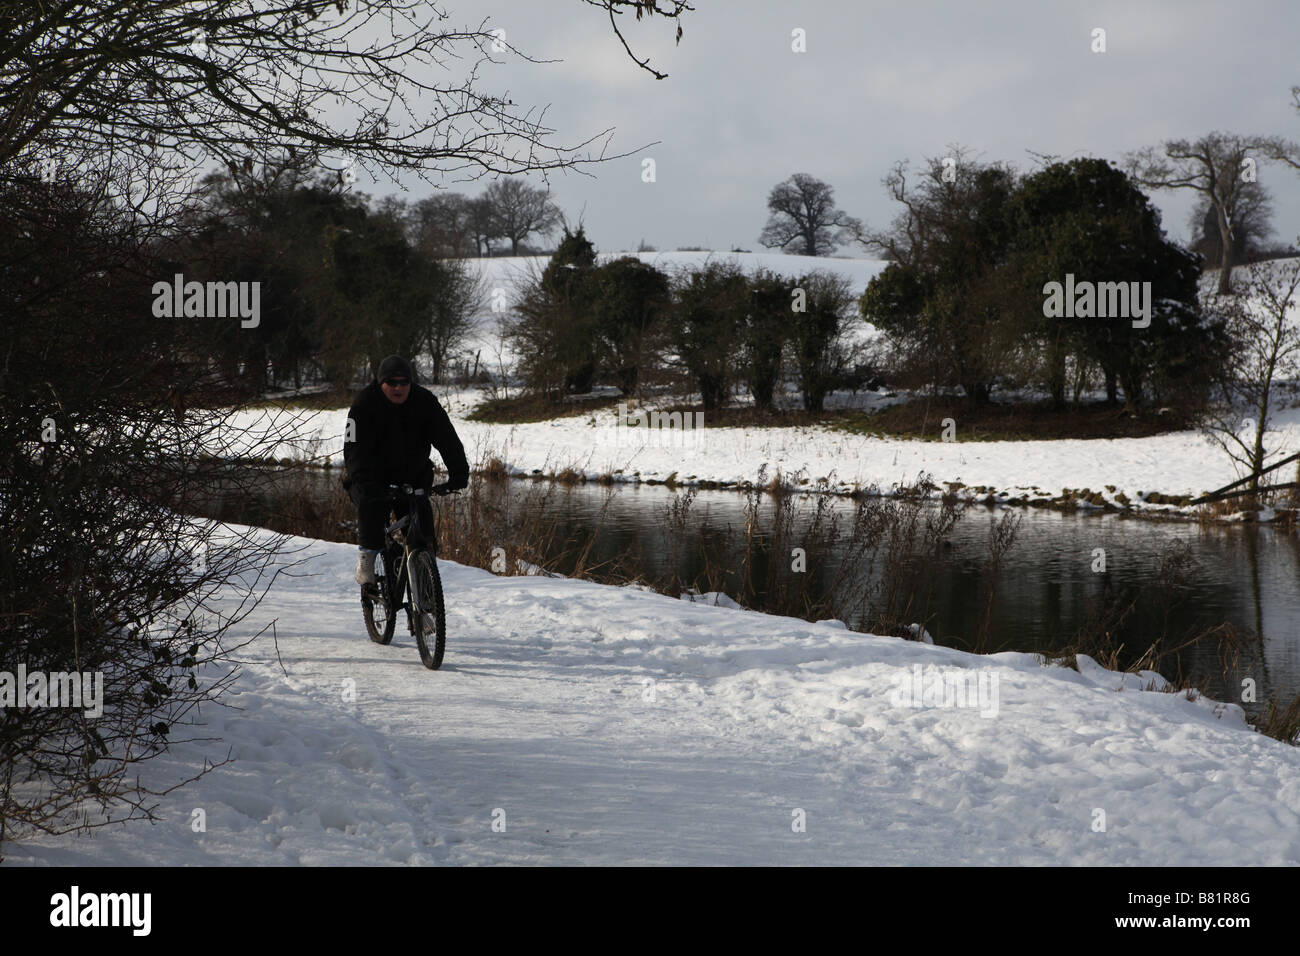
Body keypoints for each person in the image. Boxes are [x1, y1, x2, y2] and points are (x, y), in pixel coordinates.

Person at [343, 355, 469, 587]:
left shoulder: (425, 401)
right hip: (372, 477)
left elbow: (447, 438)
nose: (398, 388)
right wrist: (362, 479)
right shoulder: (363, 405)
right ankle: (367, 558)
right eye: (392, 382)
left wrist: (459, 473)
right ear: (381, 383)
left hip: (413, 476)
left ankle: (425, 589)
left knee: (422, 533)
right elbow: (352, 448)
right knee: (372, 506)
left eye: (404, 382)